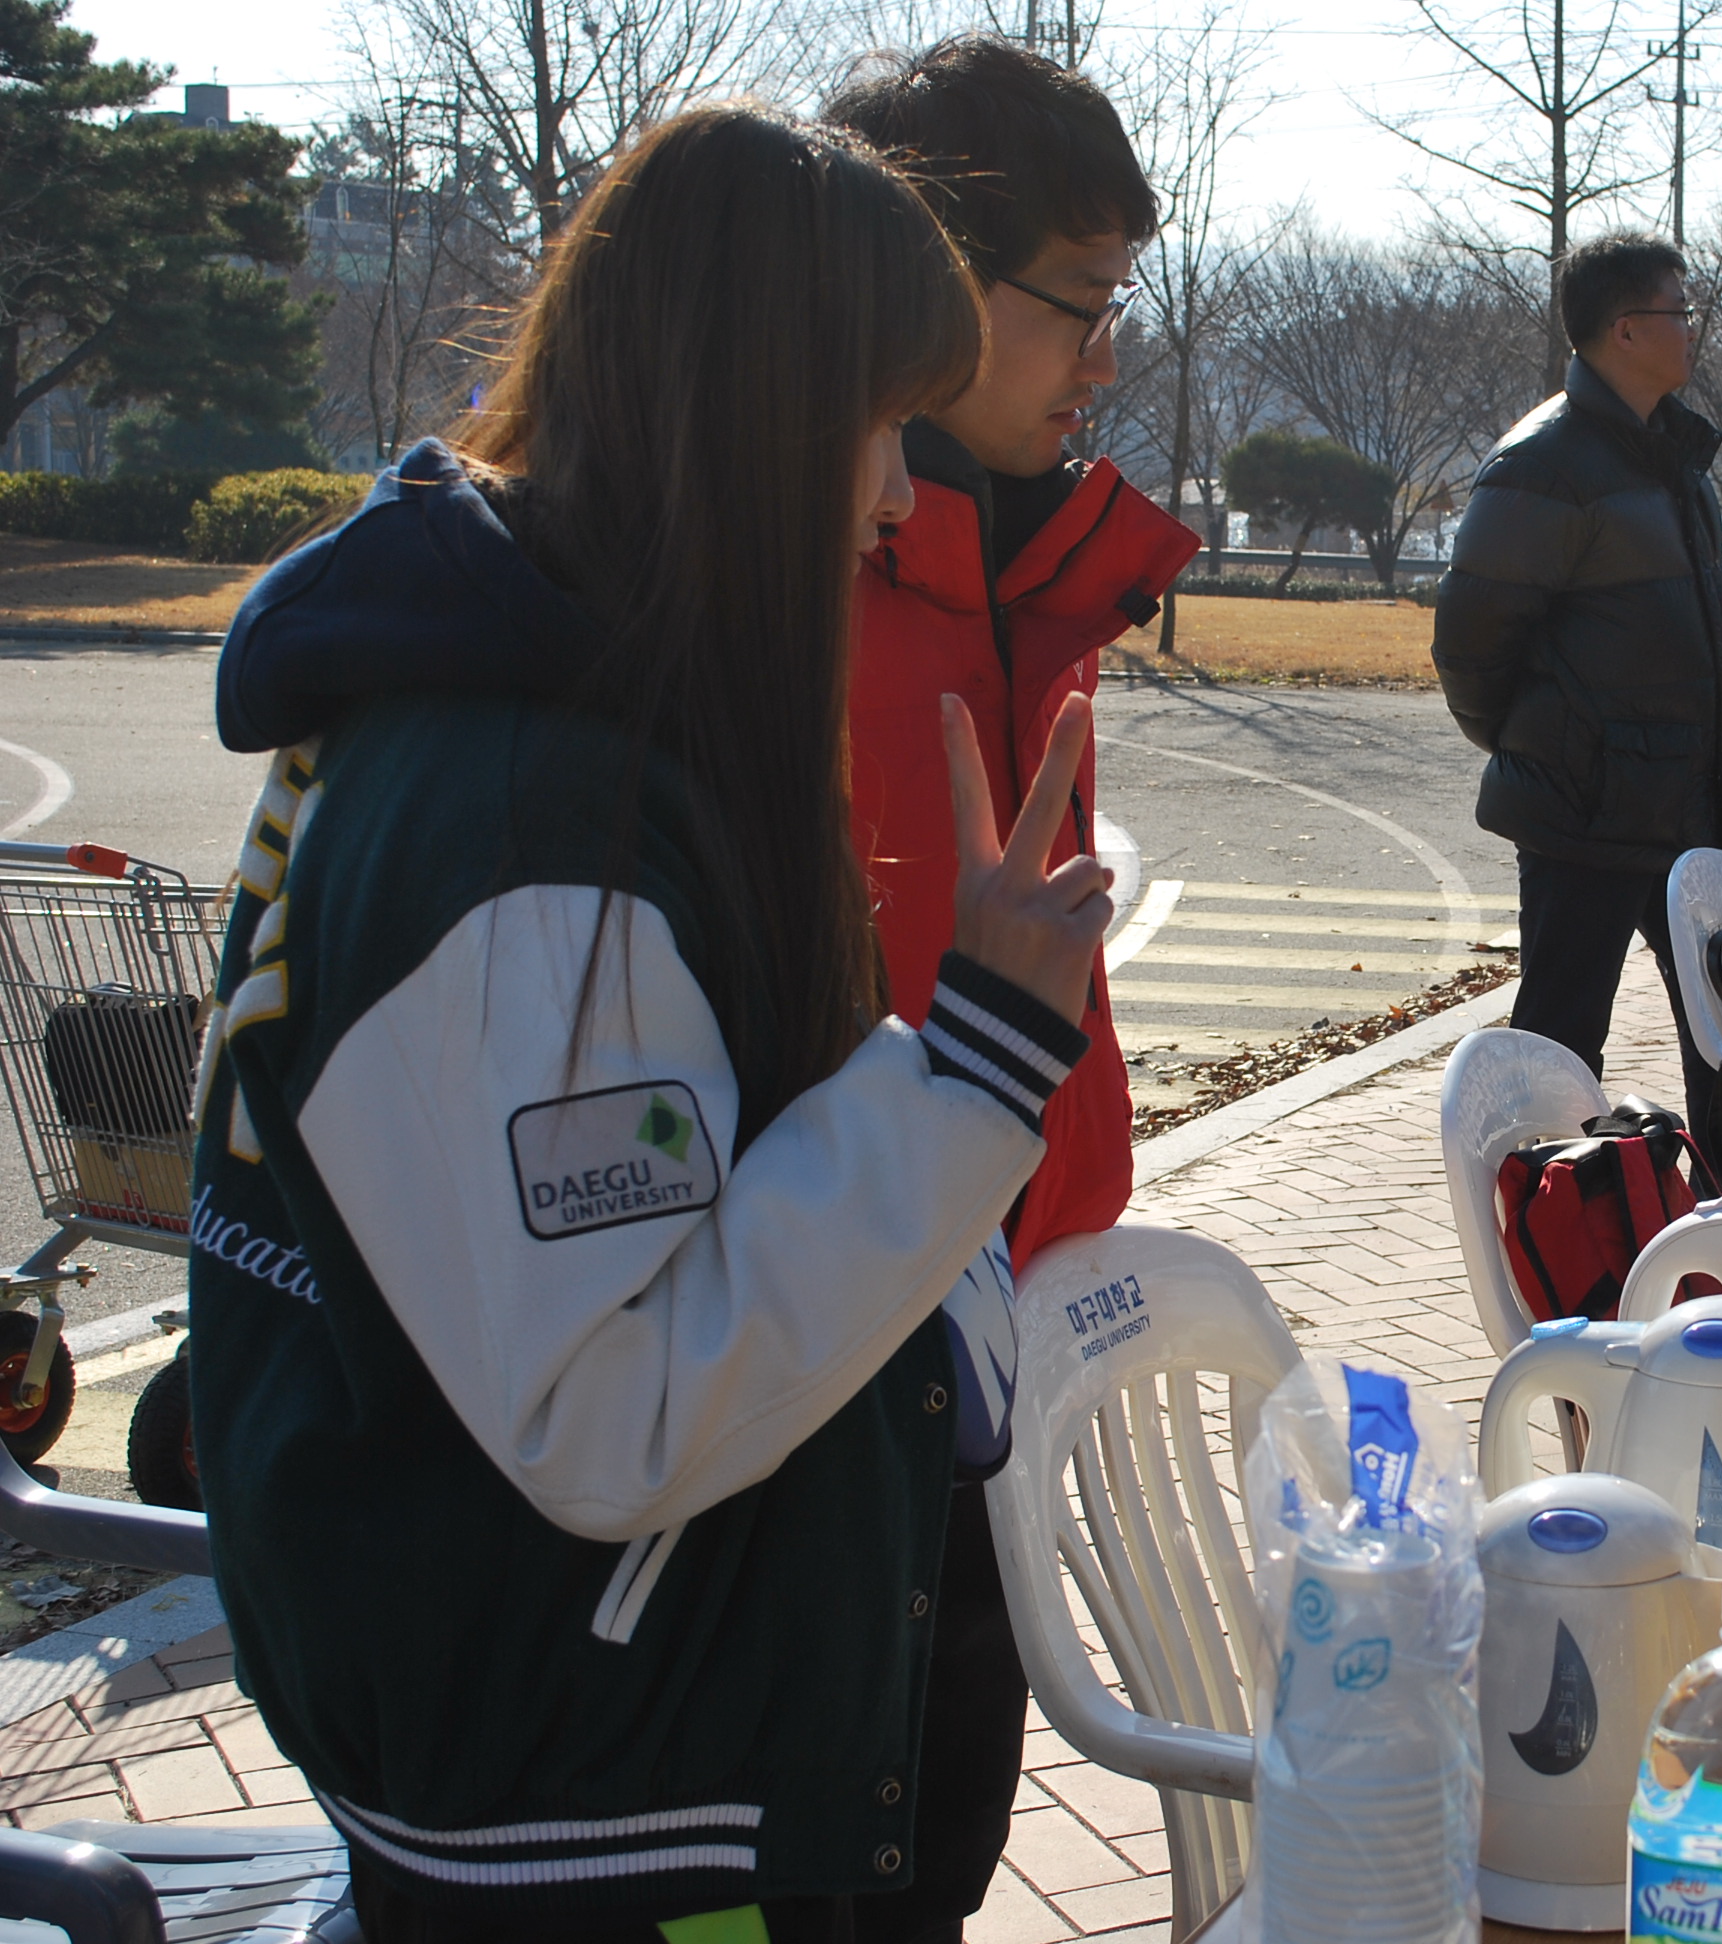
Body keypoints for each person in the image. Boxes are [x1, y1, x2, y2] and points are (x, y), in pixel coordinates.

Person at [190, 107, 1110, 1944]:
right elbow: (610, 1408)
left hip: (613, 1747)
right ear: (750, 413)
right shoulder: (526, 816)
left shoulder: (527, 706)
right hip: (601, 1815)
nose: (896, 497)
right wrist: (978, 1065)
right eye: (874, 428)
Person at [820, 40, 1197, 1940]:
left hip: (1002, 1301)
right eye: (1080, 304)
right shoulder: (789, 573)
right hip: (826, 1340)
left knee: (950, 1818)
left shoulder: (1032, 563)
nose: (1104, 360)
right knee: (842, 1857)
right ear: (924, 273)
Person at [1430, 234, 1722, 1165]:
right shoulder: (1544, 464)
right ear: (1625, 330)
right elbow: (1470, 644)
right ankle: (1543, 1221)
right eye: (1678, 312)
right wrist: (1545, 747)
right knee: (1560, 1045)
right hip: (1584, 814)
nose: (1691, 330)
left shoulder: (1672, 456)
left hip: (1689, 807)